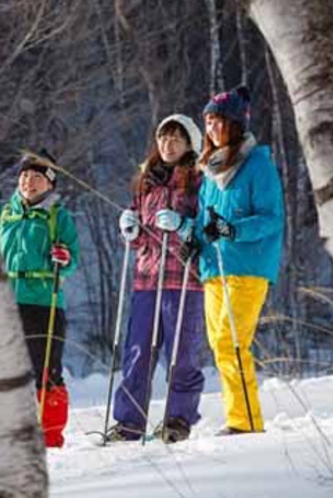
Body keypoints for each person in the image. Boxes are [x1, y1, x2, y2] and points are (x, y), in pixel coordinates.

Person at [107, 115, 207, 443]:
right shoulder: (146, 181)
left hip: (184, 279)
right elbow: (139, 237)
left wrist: (183, 226)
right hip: (147, 279)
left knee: (181, 354)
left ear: (189, 144)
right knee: (137, 351)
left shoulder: (199, 180)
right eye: (164, 138)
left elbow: (208, 228)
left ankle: (178, 419)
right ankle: (128, 423)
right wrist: (130, 231)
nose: (168, 145)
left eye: (176, 139)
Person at [192, 86, 284, 436]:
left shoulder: (257, 163)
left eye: (219, 122)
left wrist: (232, 230)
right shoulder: (210, 170)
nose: (213, 129)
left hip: (247, 267)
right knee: (219, 345)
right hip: (214, 268)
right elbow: (205, 221)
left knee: (232, 341)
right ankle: (240, 418)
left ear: (235, 124)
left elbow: (271, 218)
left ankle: (245, 422)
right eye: (209, 122)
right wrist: (191, 238)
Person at [0, 150, 79, 448]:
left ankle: (50, 435)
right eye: (25, 175)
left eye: (38, 177)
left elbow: (73, 259)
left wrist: (64, 258)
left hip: (44, 301)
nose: (29, 181)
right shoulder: (3, 214)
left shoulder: (58, 217)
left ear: (50, 184)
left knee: (46, 369)